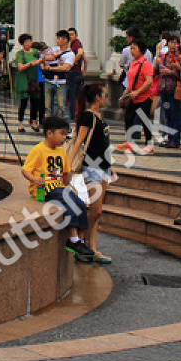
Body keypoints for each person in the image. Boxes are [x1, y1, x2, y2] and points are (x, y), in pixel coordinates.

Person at [22, 114, 95, 261]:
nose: (64, 138)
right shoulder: (38, 150)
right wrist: (34, 179)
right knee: (69, 202)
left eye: (65, 134)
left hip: (59, 187)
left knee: (80, 204)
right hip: (46, 188)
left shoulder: (61, 151)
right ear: (49, 133)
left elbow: (66, 173)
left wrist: (69, 182)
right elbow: (25, 170)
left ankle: (79, 241)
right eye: (61, 134)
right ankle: (73, 240)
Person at [72, 81, 113, 264]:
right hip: (93, 168)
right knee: (95, 211)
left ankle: (92, 248)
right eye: (104, 95)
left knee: (98, 212)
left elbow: (102, 144)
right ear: (97, 97)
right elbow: (79, 140)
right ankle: (81, 243)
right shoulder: (89, 116)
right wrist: (68, 164)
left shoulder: (98, 116)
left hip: (104, 167)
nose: (106, 98)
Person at [117, 40, 157, 153]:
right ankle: (129, 142)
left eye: (134, 48)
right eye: (131, 48)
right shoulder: (133, 63)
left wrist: (138, 92)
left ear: (141, 49)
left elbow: (149, 81)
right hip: (133, 97)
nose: (132, 51)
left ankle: (149, 145)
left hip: (144, 97)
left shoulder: (146, 64)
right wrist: (126, 93)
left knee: (144, 120)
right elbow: (131, 80)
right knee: (128, 118)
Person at [13, 33, 43, 132]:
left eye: (30, 41)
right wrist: (30, 63)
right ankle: (20, 123)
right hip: (24, 80)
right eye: (27, 42)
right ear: (22, 44)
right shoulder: (20, 54)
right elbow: (20, 67)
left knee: (35, 102)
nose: (29, 43)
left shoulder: (35, 52)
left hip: (34, 80)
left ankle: (34, 121)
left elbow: (43, 57)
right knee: (23, 102)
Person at [66, 27, 87, 118]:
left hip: (74, 73)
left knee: (72, 95)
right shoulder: (72, 45)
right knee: (79, 95)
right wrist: (84, 71)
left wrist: (72, 63)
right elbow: (86, 59)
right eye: (69, 35)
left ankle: (72, 115)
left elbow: (80, 53)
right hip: (78, 73)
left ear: (76, 35)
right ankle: (79, 113)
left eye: (72, 34)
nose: (70, 36)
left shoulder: (76, 44)